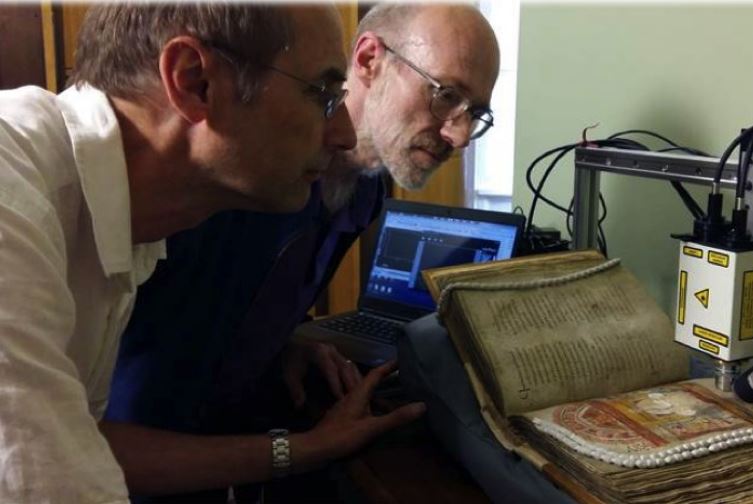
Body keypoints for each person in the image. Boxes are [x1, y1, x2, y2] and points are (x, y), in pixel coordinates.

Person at [0, 3, 424, 502]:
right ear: (195, 82)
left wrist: (304, 442)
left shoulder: (126, 223)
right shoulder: (13, 195)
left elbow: (83, 446)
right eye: (323, 94)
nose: (345, 135)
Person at [103, 3, 500, 502]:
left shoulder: (367, 191)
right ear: (369, 59)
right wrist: (301, 450)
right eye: (445, 95)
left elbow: (230, 303)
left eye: (475, 113)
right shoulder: (240, 173)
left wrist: (283, 340)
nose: (459, 136)